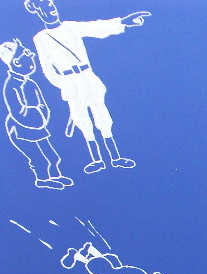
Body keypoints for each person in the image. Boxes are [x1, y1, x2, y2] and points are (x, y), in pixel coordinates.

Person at [24, 0, 150, 173]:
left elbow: (94, 28)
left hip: (87, 77)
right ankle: (96, 159)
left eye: (50, 6)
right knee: (82, 119)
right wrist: (64, 85)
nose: (50, 10)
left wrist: (122, 22)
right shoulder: (41, 38)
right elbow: (47, 69)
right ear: (38, 12)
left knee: (102, 115)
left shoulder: (70, 27)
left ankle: (115, 157)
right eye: (44, 8)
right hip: (70, 81)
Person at [1, 39, 71, 189]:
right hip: (20, 130)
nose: (31, 58)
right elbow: (18, 112)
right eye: (26, 55)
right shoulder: (11, 85)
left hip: (38, 127)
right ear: (16, 62)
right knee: (39, 159)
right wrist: (36, 116)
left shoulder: (31, 83)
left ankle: (55, 175)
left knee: (52, 157)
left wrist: (41, 117)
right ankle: (43, 179)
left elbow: (43, 105)